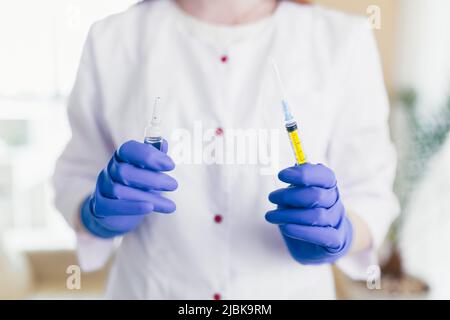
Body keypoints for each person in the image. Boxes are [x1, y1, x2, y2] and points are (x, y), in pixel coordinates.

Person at [53, 0, 399, 299]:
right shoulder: (112, 39)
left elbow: (371, 192)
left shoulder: (342, 39)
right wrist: (95, 214)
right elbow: (76, 173)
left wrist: (341, 233)